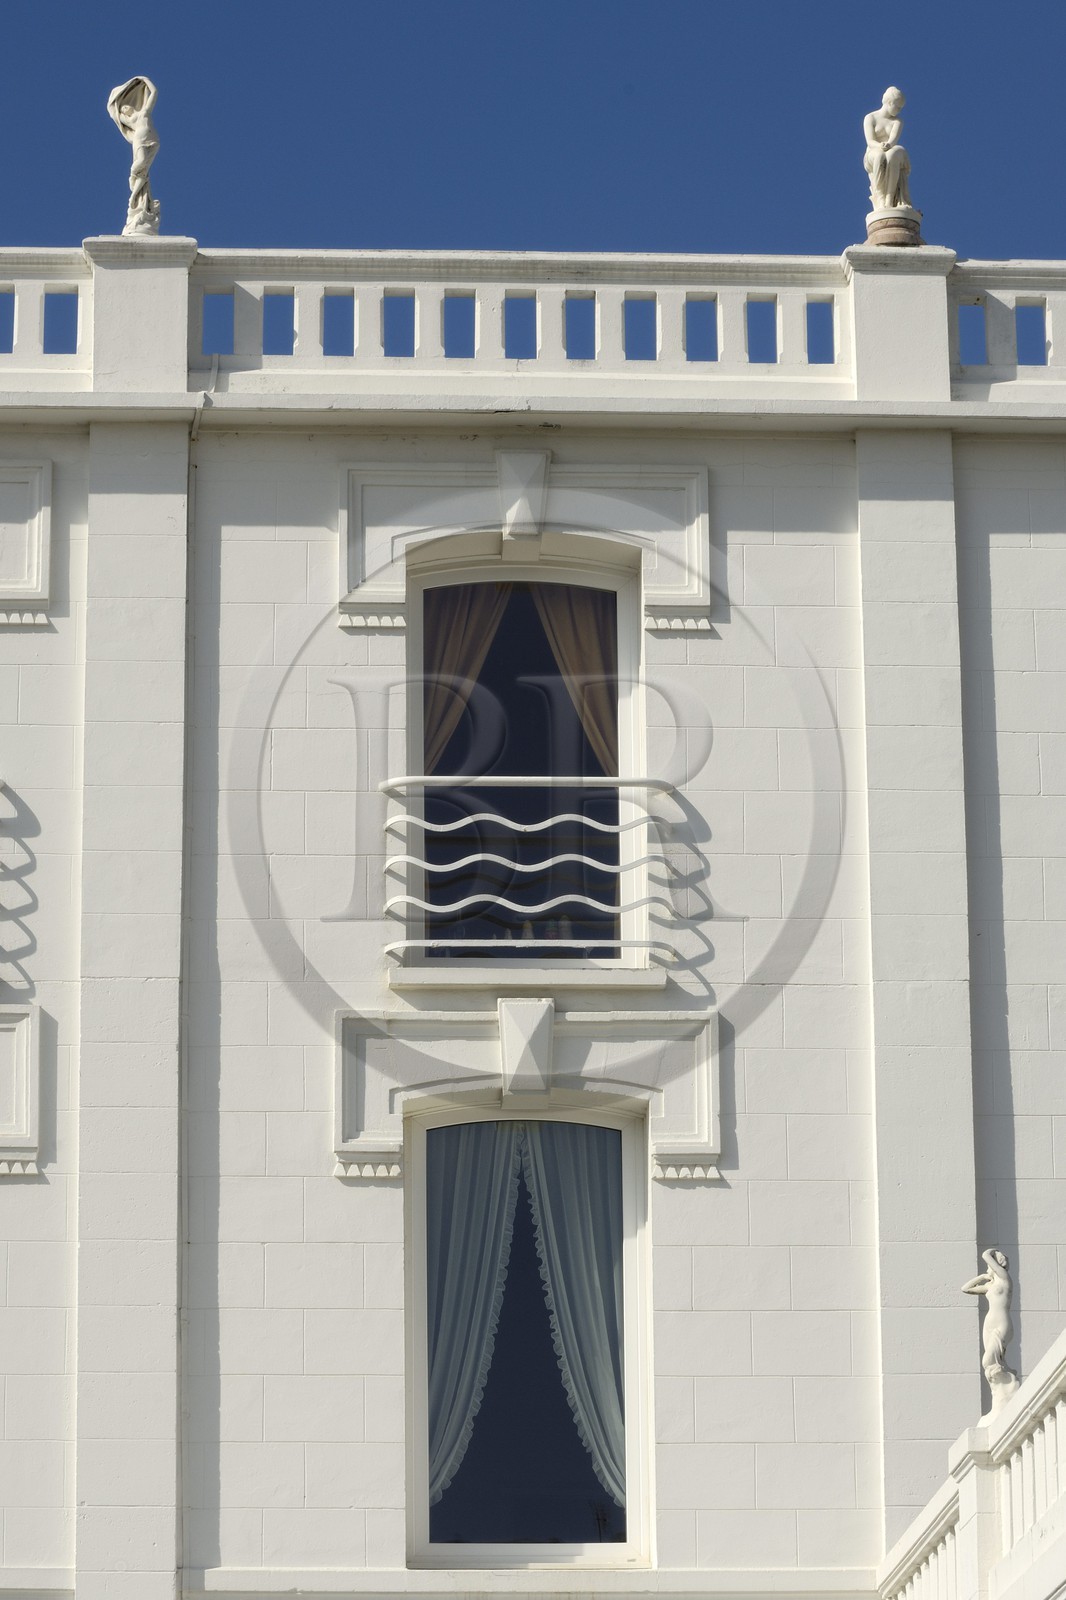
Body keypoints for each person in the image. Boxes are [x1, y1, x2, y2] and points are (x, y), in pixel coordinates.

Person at [107, 76, 160, 234]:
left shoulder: (144, 112)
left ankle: (140, 199)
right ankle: (134, 192)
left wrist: (144, 79)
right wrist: (115, 103)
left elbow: (154, 92)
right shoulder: (130, 121)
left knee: (144, 172)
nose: (124, 109)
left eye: (125, 107)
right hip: (139, 141)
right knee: (139, 166)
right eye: (122, 109)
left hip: (153, 141)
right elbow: (114, 112)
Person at [863, 87, 911, 211]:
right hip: (873, 152)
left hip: (890, 148)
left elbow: (893, 139)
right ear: (890, 103)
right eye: (898, 106)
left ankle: (889, 198)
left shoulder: (897, 121)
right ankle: (880, 197)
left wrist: (888, 145)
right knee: (880, 155)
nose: (899, 110)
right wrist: (880, 146)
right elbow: (870, 141)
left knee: (894, 153)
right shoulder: (870, 117)